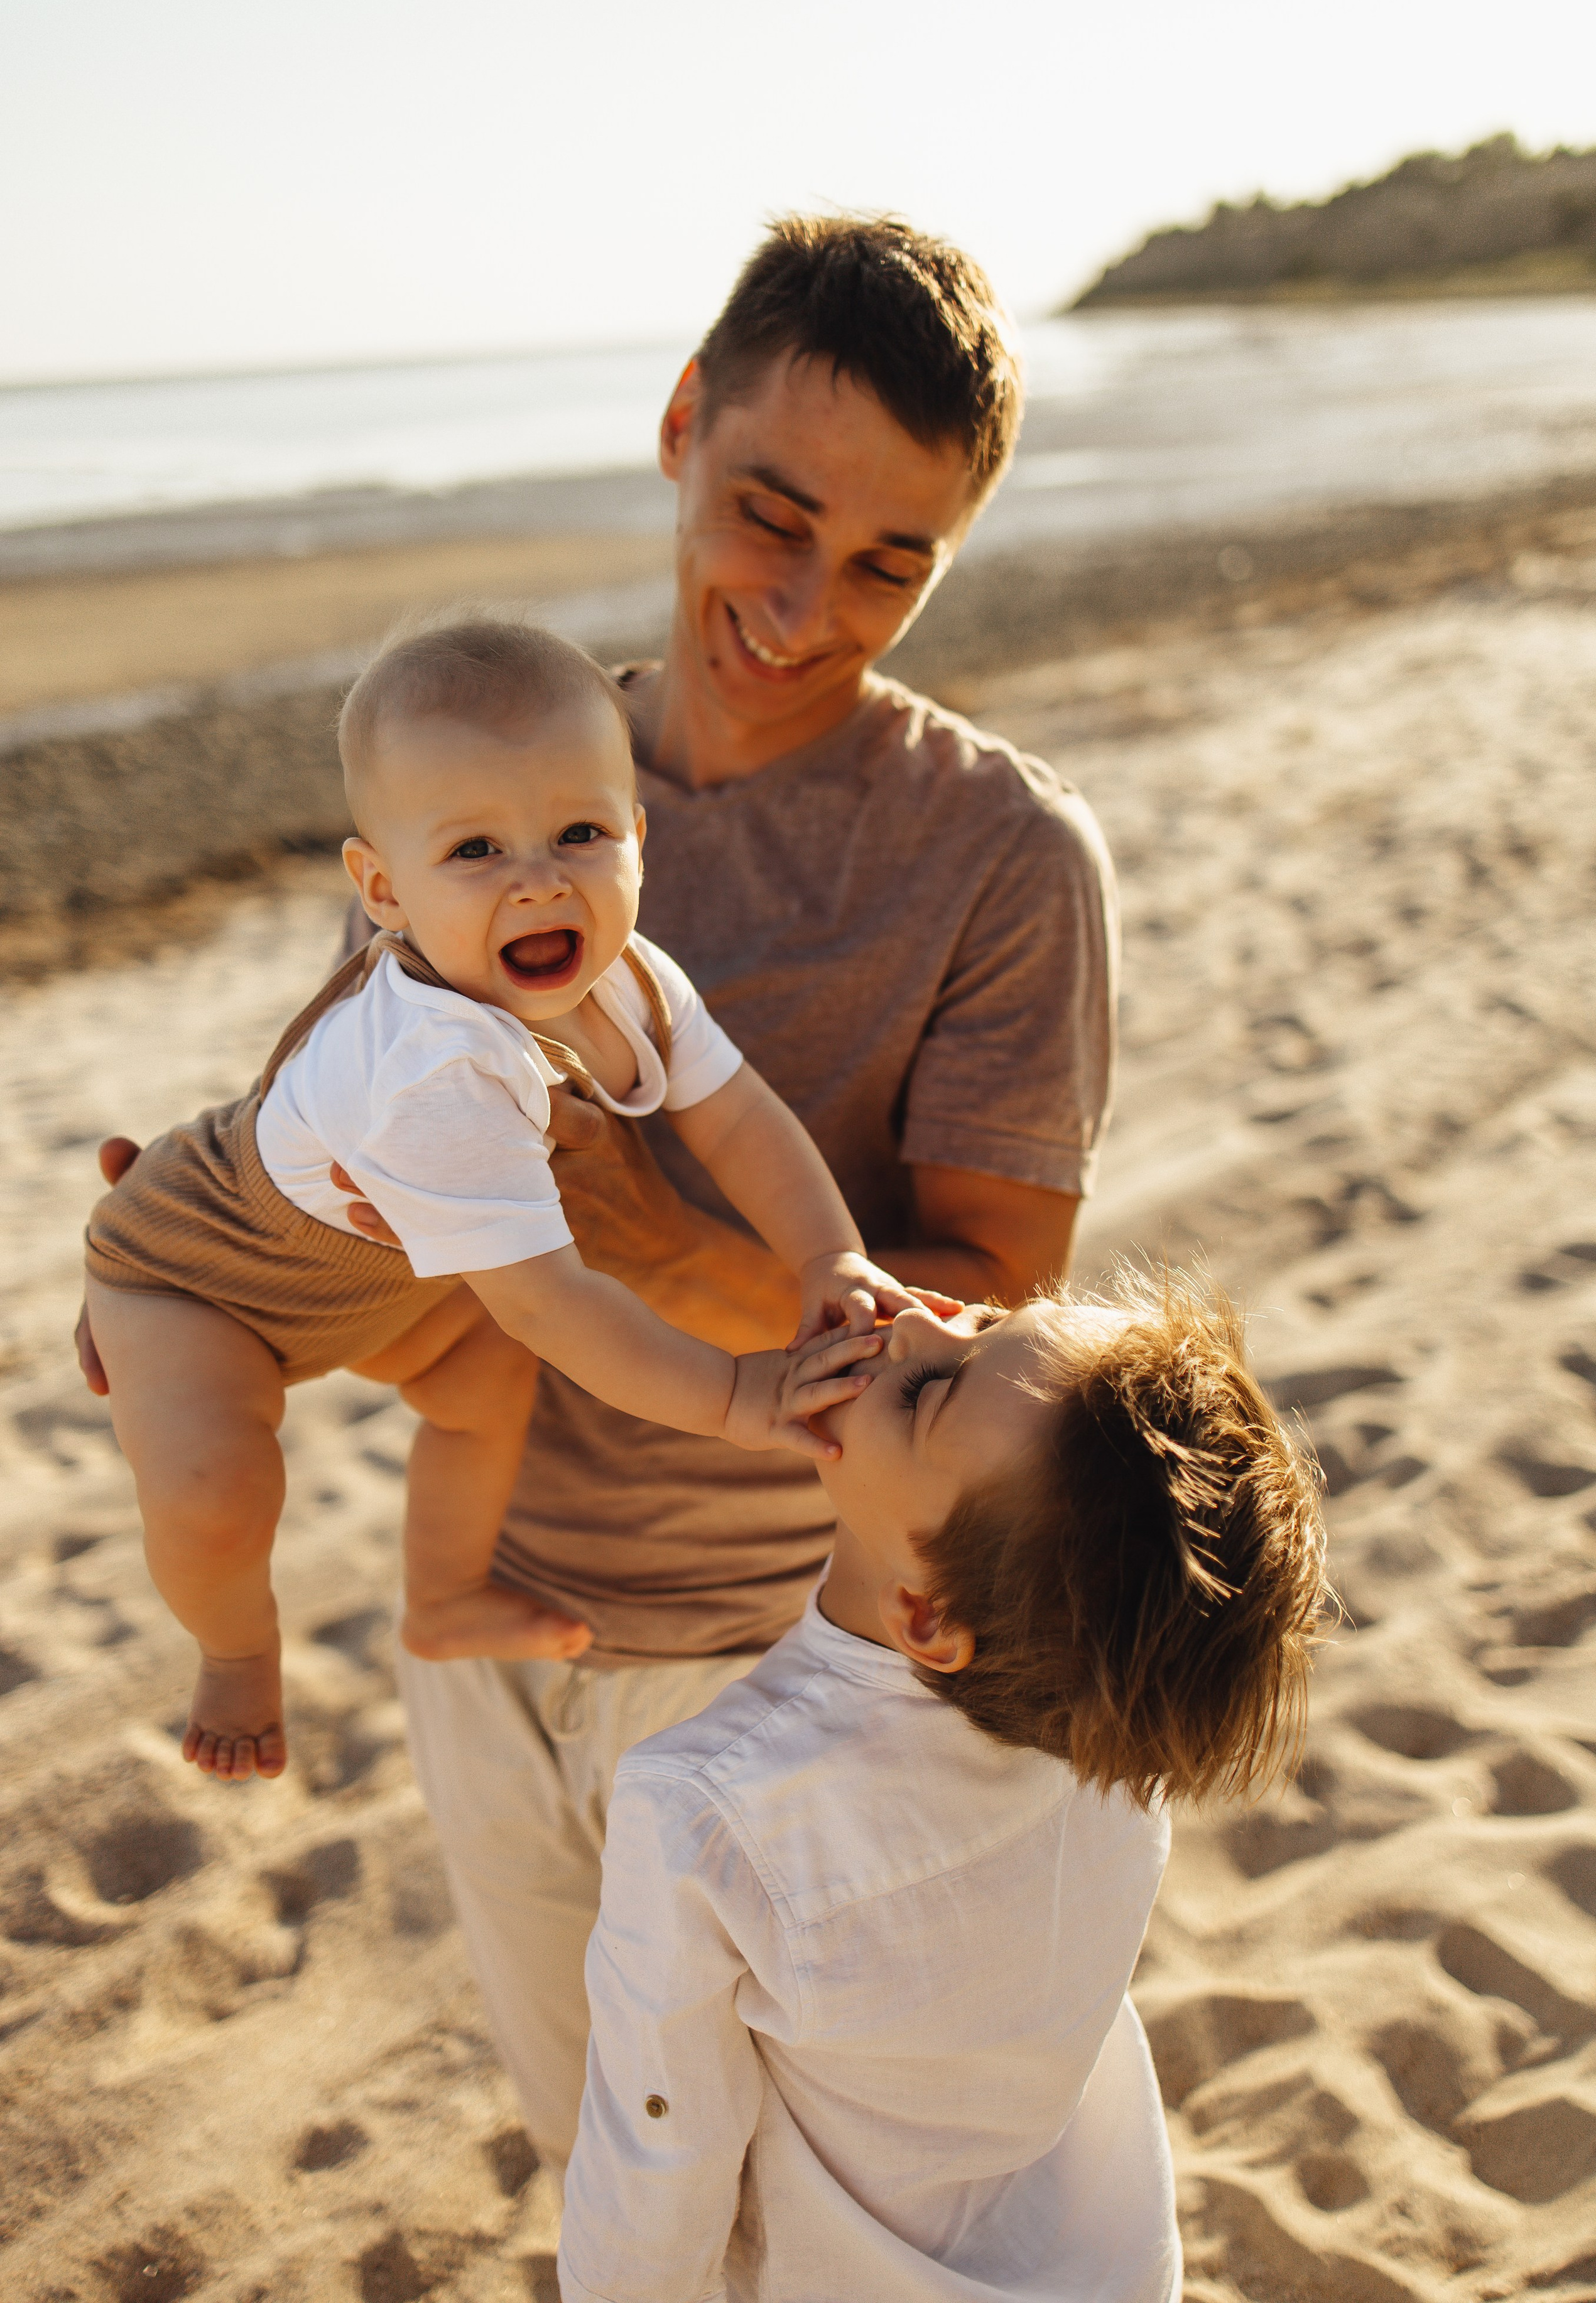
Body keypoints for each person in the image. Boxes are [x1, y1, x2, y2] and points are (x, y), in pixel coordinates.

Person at [80, 214, 1121, 2172]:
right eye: (771, 515)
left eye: (891, 561)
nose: (807, 603)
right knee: (600, 2176)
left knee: (804, 2205)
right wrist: (192, 1291)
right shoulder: (472, 779)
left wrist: (646, 1240)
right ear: (678, 431)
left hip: (782, 1648)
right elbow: (336, 1141)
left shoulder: (1004, 858)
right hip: (488, 1632)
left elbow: (984, 1294)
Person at [82, 618, 914, 1782]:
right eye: (474, 851)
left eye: (579, 832)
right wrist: (735, 1393)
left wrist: (829, 1258)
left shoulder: (630, 981)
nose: (538, 879)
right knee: (218, 1482)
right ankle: (233, 1651)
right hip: (201, 1277)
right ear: (384, 890)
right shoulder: (444, 1065)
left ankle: (446, 1595)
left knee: (480, 1384)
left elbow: (741, 1120)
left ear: (637, 839)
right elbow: (555, 1304)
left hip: (380, 1285)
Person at [556, 1271, 1330, 2303]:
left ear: (927, 1617)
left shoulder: (706, 1807)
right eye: (990, 1317)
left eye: (929, 1392)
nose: (918, 1318)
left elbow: (658, 2153)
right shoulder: (1097, 1717)